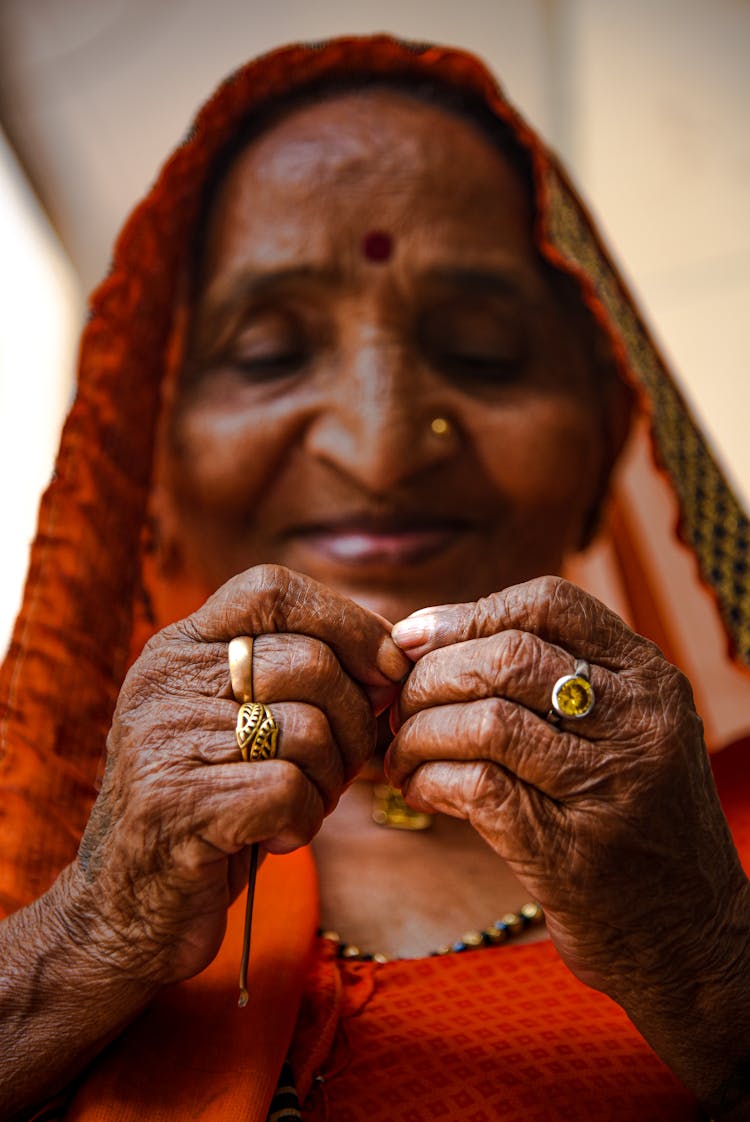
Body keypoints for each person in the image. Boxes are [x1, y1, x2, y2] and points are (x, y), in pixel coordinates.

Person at [2, 33, 750, 1122]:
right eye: (265, 355)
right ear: (147, 457)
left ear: (608, 439)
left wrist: (706, 954)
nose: (383, 445)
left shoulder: (713, 843)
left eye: (485, 353)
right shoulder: (30, 805)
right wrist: (91, 929)